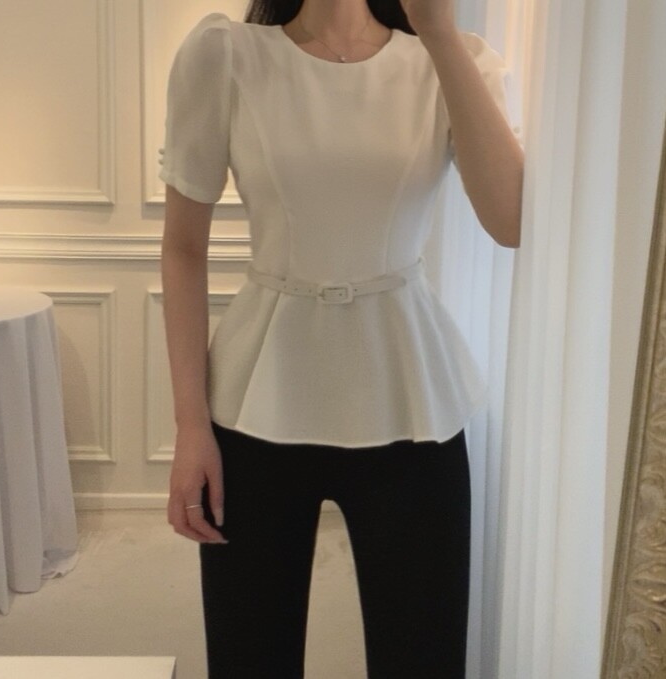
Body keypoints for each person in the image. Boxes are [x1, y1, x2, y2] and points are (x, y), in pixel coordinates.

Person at [159, 0, 523, 676]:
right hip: (257, 400)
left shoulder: (453, 60)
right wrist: (189, 426)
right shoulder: (226, 57)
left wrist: (438, 32)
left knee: (423, 656)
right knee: (248, 657)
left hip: (409, 401)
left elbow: (511, 219)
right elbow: (183, 247)